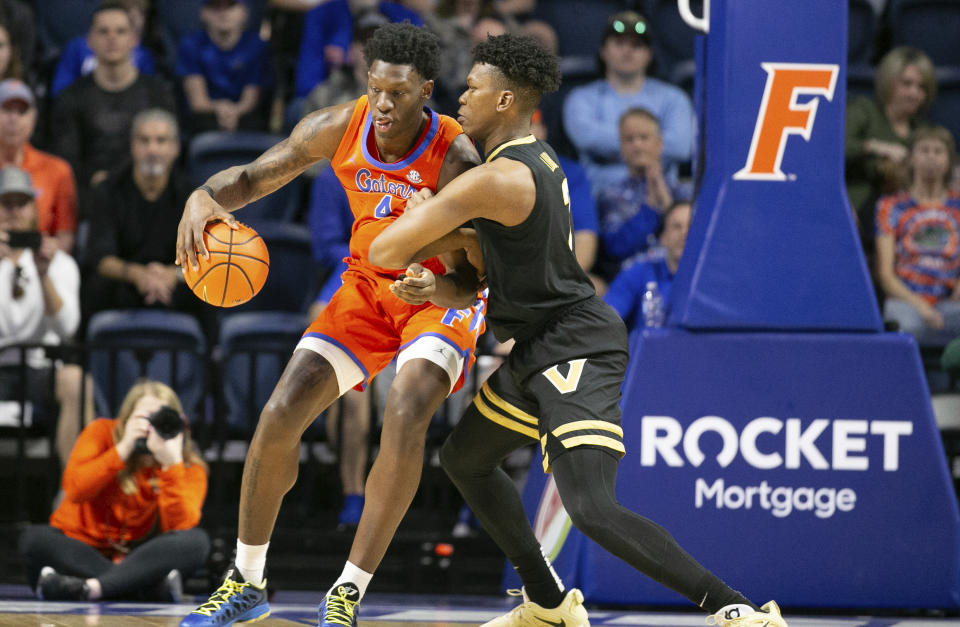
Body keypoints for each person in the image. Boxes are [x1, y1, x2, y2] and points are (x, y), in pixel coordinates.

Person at [368, 33, 788, 627]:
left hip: (575, 342)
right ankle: (545, 601)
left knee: (590, 506)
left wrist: (411, 217)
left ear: (507, 100)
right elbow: (473, 282)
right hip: (536, 343)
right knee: (464, 459)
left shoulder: (499, 178)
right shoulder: (515, 163)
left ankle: (737, 610)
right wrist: (430, 286)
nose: (461, 96)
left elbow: (384, 247)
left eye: (473, 88)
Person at [175, 23, 484, 627]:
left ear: (426, 90)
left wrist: (440, 282)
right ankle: (246, 580)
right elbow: (255, 177)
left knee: (405, 406)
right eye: (375, 90)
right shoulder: (339, 126)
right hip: (369, 288)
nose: (384, 105)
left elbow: (478, 273)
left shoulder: (457, 156)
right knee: (280, 411)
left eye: (398, 93)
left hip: (440, 293)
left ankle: (347, 589)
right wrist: (202, 197)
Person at [18, 380, 210, 602]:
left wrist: (171, 464)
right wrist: (123, 448)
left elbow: (180, 527)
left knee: (196, 541)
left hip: (139, 554)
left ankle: (87, 587)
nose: (151, 429)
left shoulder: (187, 465)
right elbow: (76, 491)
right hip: (80, 548)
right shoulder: (101, 432)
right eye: (145, 418)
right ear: (126, 418)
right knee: (35, 539)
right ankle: (142, 587)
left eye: (160, 419)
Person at [81, 109, 214, 341]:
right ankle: (90, 370)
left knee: (208, 292)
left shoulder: (193, 195)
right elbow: (100, 257)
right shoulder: (108, 191)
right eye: (144, 141)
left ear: (175, 149)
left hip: (176, 282)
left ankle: (210, 371)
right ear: (133, 146)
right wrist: (138, 275)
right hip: (124, 283)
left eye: (161, 141)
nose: (152, 149)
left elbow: (204, 255)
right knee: (95, 288)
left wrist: (171, 275)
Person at [0, 166, 91, 467]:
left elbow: (67, 328)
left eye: (21, 203)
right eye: (5, 203)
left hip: (39, 369)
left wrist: (43, 276)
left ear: (33, 209)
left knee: (76, 381)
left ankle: (74, 494)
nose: (13, 212)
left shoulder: (58, 262)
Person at [50, 0, 175, 200]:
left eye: (120, 31)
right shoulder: (71, 98)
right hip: (89, 197)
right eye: (103, 31)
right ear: (90, 40)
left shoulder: (157, 94)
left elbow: (170, 151)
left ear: (134, 39)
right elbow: (66, 161)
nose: (112, 38)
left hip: (147, 193)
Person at [563, 10, 694, 193]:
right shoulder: (581, 98)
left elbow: (681, 146)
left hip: (661, 191)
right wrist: (649, 146)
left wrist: (611, 152)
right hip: (600, 194)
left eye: (637, 45)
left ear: (649, 54)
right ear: (603, 51)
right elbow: (586, 137)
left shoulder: (673, 98)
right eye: (619, 43)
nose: (628, 50)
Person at [306, 165, 372, 528]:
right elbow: (326, 249)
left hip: (410, 302)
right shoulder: (332, 178)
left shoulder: (420, 171)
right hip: (354, 282)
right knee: (354, 391)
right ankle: (354, 493)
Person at [876, 125, 960, 346]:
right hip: (905, 300)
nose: (931, 157)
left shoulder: (957, 207)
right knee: (908, 327)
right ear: (912, 158)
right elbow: (885, 274)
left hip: (949, 302)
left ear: (949, 161)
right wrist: (921, 307)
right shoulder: (891, 206)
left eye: (938, 151)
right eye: (924, 150)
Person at [846, 46, 936, 236]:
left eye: (921, 88)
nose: (914, 93)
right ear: (889, 81)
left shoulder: (922, 132)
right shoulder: (864, 111)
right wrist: (874, 147)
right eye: (907, 84)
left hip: (904, 221)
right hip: (856, 211)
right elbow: (835, 149)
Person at [595, 107, 691, 284]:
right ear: (621, 147)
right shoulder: (610, 197)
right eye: (629, 139)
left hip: (681, 276)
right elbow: (615, 247)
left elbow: (693, 238)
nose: (637, 144)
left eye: (644, 137)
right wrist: (649, 209)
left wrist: (663, 195)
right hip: (632, 284)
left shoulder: (685, 192)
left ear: (659, 143)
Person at [0, 79, 78, 253]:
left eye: (22, 111)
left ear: (33, 119)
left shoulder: (57, 170)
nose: (14, 118)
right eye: (6, 109)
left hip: (38, 263)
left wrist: (51, 252)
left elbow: (65, 235)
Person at [176, 0, 272, 133]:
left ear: (244, 12)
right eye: (215, 7)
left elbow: (251, 100)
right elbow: (197, 102)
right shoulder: (191, 45)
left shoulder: (256, 46)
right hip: (204, 118)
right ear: (203, 13)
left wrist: (235, 112)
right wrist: (220, 108)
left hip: (246, 118)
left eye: (230, 6)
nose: (223, 14)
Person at [294, 0, 422, 99]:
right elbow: (307, 85)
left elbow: (420, 85)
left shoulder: (408, 19)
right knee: (301, 108)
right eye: (364, 42)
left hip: (393, 100)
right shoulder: (321, 15)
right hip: (335, 97)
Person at [604, 201, 691, 333]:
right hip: (649, 352)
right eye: (676, 227)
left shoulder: (713, 279)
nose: (685, 233)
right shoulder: (640, 272)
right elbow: (607, 319)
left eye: (691, 227)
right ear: (663, 237)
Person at [50, 0, 156, 97]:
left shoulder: (144, 55)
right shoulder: (77, 48)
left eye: (141, 14)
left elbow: (149, 92)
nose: (112, 37)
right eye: (104, 31)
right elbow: (60, 91)